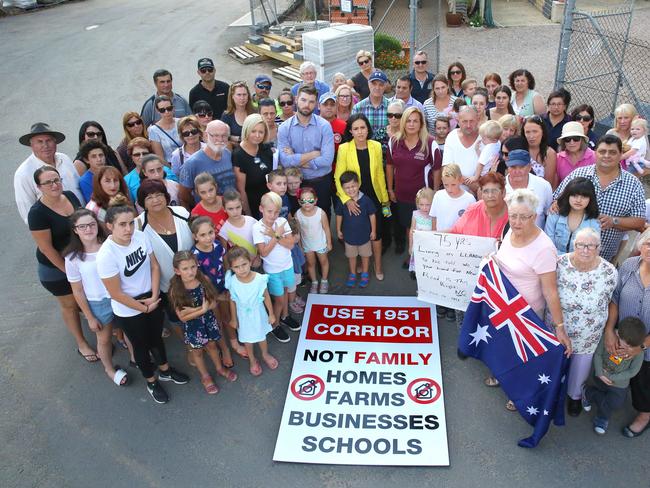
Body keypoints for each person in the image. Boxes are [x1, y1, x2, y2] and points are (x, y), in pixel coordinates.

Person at [96, 199, 189, 404]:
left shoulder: (139, 236)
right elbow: (116, 293)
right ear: (109, 226)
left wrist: (155, 296)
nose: (128, 229)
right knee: (140, 346)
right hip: (129, 309)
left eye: (130, 223)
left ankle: (165, 370)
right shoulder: (106, 255)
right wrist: (143, 308)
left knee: (156, 338)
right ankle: (152, 381)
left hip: (151, 298)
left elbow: (154, 266)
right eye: (122, 224)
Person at [495, 188, 572, 410]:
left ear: (535, 217)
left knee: (522, 356)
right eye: (513, 215)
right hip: (503, 305)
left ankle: (517, 393)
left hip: (526, 312)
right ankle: (503, 378)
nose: (517, 222)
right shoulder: (510, 231)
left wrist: (559, 327)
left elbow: (551, 291)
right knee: (505, 349)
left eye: (523, 217)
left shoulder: (544, 248)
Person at [28, 166, 93, 360]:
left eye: (56, 180)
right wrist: (69, 272)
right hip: (55, 269)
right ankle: (82, 344)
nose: (54, 185)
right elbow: (47, 249)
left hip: (78, 259)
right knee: (70, 305)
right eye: (48, 182)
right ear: (39, 187)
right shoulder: (37, 213)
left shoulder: (70, 196)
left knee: (85, 298)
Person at [554, 227, 617, 416]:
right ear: (574, 244)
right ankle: (553, 390)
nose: (585, 250)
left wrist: (608, 329)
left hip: (588, 331)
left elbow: (611, 300)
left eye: (591, 246)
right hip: (558, 327)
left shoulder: (609, 271)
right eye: (581, 245)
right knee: (556, 360)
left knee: (580, 367)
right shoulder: (560, 263)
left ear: (599, 247)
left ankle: (574, 397)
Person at [553, 134, 645, 262]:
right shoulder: (578, 174)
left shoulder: (633, 184)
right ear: (595, 153)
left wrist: (614, 221)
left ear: (620, 155)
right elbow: (556, 200)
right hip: (566, 255)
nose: (606, 155)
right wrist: (555, 203)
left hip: (604, 257)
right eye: (602, 151)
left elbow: (639, 221)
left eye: (612, 152)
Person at [64, 209, 129, 385]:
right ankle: (109, 368)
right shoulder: (72, 258)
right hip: (98, 303)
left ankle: (136, 358)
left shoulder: (110, 244)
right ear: (75, 230)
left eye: (91, 224)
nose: (88, 229)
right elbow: (77, 291)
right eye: (82, 226)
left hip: (120, 296)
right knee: (104, 339)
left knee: (129, 332)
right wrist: (90, 317)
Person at [603, 229, 650, 437]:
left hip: (646, 348)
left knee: (644, 383)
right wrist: (610, 331)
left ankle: (645, 414)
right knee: (615, 368)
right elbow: (615, 299)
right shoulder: (630, 266)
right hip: (621, 338)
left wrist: (641, 347)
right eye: (648, 243)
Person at [170, 249, 237, 394]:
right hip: (194, 326)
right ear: (177, 271)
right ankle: (205, 376)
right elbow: (182, 317)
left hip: (208, 321)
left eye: (193, 267)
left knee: (212, 346)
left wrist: (196, 309)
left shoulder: (203, 280)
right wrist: (201, 310)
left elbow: (212, 301)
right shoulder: (176, 290)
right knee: (198, 352)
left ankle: (219, 368)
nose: (190, 272)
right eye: (185, 269)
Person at [135, 179, 194, 337]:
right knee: (177, 319)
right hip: (166, 286)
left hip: (194, 279)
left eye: (159, 194)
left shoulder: (181, 212)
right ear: (142, 202)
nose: (155, 200)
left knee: (200, 313)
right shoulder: (138, 225)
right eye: (149, 197)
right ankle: (188, 346)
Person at [335, 113, 389, 280]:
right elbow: (338, 177)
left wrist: (385, 198)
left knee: (377, 233)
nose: (360, 132)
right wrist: (347, 200)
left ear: (368, 129)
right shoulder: (344, 148)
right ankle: (360, 262)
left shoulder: (376, 146)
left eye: (363, 128)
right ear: (350, 131)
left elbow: (380, 174)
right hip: (353, 197)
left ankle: (377, 265)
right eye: (356, 128)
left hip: (373, 196)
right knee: (357, 232)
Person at [387, 106, 442, 263]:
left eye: (415, 121)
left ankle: (425, 260)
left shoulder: (430, 143)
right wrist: (390, 189)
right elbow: (390, 166)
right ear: (403, 122)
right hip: (402, 195)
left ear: (421, 123)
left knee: (425, 229)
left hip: (423, 199)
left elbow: (437, 170)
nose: (411, 124)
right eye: (408, 121)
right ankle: (412, 257)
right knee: (410, 229)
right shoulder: (394, 141)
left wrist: (435, 193)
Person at [277, 85, 335, 215]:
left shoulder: (324, 126)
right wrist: (314, 154)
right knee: (298, 224)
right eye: (303, 100)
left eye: (311, 101)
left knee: (322, 219)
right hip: (296, 184)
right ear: (296, 99)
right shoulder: (284, 128)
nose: (306, 105)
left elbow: (326, 160)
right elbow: (285, 161)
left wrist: (296, 159)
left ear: (316, 104)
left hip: (321, 182)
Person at [584, 317, 646, 434]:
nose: (629, 348)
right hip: (601, 375)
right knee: (605, 398)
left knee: (615, 403)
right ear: (618, 334)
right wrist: (600, 373)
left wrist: (612, 377)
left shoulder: (637, 352)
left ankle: (588, 393)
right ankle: (602, 417)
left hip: (619, 384)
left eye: (632, 346)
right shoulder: (609, 338)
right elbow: (598, 354)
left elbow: (632, 371)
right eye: (627, 344)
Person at [253, 192, 299, 344]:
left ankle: (284, 317)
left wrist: (275, 234)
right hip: (273, 271)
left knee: (285, 291)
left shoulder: (282, 222)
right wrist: (276, 236)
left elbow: (291, 244)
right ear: (261, 209)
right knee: (278, 299)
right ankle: (275, 324)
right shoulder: (257, 227)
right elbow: (263, 252)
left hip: (287, 265)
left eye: (276, 211)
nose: (273, 215)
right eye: (269, 211)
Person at [225, 246, 278, 376]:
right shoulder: (232, 281)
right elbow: (233, 300)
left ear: (250, 262)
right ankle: (252, 359)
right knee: (247, 339)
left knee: (261, 336)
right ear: (231, 268)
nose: (241, 269)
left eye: (244, 264)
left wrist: (271, 313)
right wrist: (233, 318)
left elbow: (266, 296)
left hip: (258, 313)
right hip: (242, 315)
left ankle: (265, 354)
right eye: (236, 267)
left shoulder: (259, 279)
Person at [15, 123, 83, 223]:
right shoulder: (23, 174)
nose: (45, 145)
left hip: (83, 223)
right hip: (57, 230)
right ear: (31, 145)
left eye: (49, 140)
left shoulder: (65, 159)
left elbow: (78, 188)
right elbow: (27, 214)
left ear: (55, 142)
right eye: (39, 142)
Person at [179, 120, 236, 207]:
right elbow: (183, 195)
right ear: (206, 135)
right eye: (215, 135)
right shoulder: (192, 163)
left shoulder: (227, 153)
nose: (220, 139)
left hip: (232, 210)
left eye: (224, 136)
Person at [336, 171, 376, 289]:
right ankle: (352, 273)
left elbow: (372, 215)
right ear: (342, 189)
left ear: (358, 184)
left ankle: (364, 273)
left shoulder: (366, 200)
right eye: (347, 187)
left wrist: (373, 231)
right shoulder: (342, 202)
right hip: (349, 237)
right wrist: (338, 229)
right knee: (351, 256)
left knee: (365, 256)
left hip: (365, 236)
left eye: (353, 186)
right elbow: (339, 215)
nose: (350, 189)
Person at [545, 177, 600, 254]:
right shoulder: (555, 214)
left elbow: (591, 251)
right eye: (574, 195)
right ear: (568, 196)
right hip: (551, 259)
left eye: (584, 197)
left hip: (579, 263)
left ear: (590, 199)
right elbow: (547, 244)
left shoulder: (594, 223)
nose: (578, 200)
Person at [233, 114, 273, 217]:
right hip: (252, 206)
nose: (257, 135)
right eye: (253, 131)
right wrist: (249, 215)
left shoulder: (266, 149)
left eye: (261, 132)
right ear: (246, 130)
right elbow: (241, 190)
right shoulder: (238, 155)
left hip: (269, 205)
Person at [449, 172, 509, 239]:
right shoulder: (473, 210)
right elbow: (455, 231)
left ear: (503, 192)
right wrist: (435, 237)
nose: (490, 195)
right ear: (481, 194)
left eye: (494, 191)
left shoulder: (513, 213)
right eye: (486, 191)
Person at [295, 186, 332, 294]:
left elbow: (326, 229)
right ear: (299, 202)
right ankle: (315, 282)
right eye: (303, 201)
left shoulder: (321, 213)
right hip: (307, 245)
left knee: (323, 262)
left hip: (321, 244)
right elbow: (298, 232)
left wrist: (329, 243)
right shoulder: (298, 214)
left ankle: (324, 280)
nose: (307, 203)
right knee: (311, 264)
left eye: (310, 200)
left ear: (315, 200)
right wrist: (300, 246)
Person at [504, 149, 552, 228]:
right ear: (508, 168)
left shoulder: (544, 186)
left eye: (521, 167)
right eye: (513, 167)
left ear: (530, 167)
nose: (517, 171)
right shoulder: (501, 187)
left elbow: (549, 214)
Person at [123, 138, 177, 202]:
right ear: (131, 157)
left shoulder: (166, 170)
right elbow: (131, 203)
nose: (141, 157)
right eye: (137, 154)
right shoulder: (127, 180)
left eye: (145, 153)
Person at [442, 105, 480, 191]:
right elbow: (447, 169)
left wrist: (478, 188)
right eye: (464, 121)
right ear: (458, 122)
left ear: (478, 120)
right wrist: (472, 185)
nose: (468, 125)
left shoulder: (485, 138)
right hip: (453, 191)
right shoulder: (452, 136)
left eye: (472, 121)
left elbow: (486, 172)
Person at [218, 190, 260, 267]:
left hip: (259, 262)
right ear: (224, 209)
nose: (235, 211)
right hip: (241, 268)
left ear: (242, 205)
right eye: (230, 209)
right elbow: (225, 254)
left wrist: (259, 256)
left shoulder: (252, 221)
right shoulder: (224, 231)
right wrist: (228, 273)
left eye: (238, 207)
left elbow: (262, 240)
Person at [430, 163, 476, 231]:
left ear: (461, 180)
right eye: (446, 185)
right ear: (442, 180)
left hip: (460, 240)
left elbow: (472, 224)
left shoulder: (470, 199)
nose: (449, 189)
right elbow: (434, 218)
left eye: (453, 184)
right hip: (440, 238)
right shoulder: (438, 196)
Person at [351, 69, 390, 144]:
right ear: (368, 84)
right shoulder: (358, 108)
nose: (377, 87)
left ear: (385, 86)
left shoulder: (391, 107)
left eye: (381, 84)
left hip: (386, 150)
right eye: (374, 84)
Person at [523, 115, 558, 189]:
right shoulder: (521, 150)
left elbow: (548, 184)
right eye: (527, 132)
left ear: (542, 132)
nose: (531, 136)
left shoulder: (549, 153)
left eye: (535, 131)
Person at [408, 187, 434, 279]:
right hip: (417, 244)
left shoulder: (433, 216)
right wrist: (410, 246)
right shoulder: (415, 214)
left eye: (427, 205)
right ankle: (415, 271)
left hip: (429, 245)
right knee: (417, 259)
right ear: (417, 204)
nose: (424, 207)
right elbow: (412, 230)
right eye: (421, 204)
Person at [148, 95, 182, 163]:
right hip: (170, 165)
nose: (166, 112)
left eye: (169, 108)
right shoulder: (154, 130)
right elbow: (160, 158)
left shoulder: (181, 122)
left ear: (173, 108)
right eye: (162, 110)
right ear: (157, 111)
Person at [221, 81, 256, 145]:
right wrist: (239, 139)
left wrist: (235, 138)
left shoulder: (255, 113)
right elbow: (222, 135)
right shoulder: (226, 115)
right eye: (239, 95)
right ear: (232, 96)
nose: (242, 98)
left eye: (244, 94)